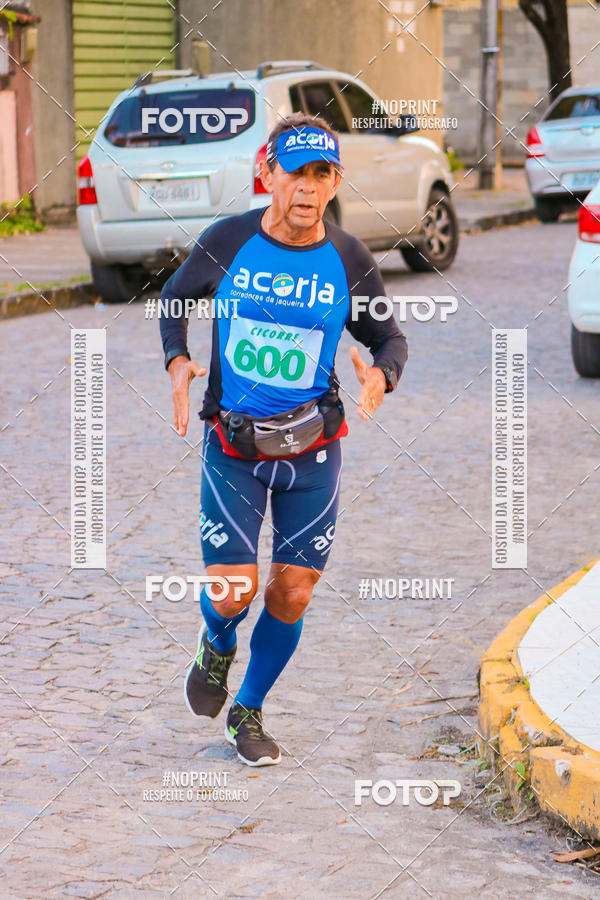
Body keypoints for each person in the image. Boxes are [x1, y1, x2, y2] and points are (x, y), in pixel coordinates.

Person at [160, 111, 407, 766]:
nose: (306, 186)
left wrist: (382, 373)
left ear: (334, 183)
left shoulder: (348, 257)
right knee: (233, 590)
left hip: (312, 452)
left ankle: (248, 709)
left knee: (292, 590)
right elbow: (175, 298)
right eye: (294, 171)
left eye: (320, 173)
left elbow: (388, 336)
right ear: (266, 174)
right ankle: (217, 644)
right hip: (234, 450)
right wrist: (178, 361)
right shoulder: (230, 240)